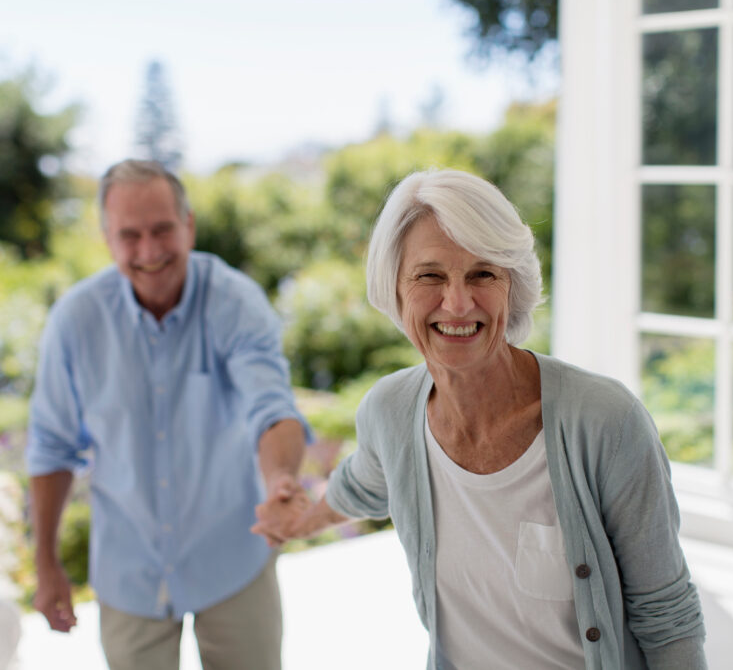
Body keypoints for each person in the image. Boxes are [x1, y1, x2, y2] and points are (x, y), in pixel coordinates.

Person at [252, 169, 707, 669]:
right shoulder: (390, 412)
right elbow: (356, 488)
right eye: (430, 275)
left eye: (482, 273)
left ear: (512, 285)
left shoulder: (606, 423)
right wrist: (297, 520)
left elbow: (667, 617)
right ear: (394, 289)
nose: (458, 302)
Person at [27, 159, 311, 670]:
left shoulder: (235, 301)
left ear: (189, 226)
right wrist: (45, 563)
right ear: (107, 238)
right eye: (129, 236)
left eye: (162, 230)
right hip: (128, 571)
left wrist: (281, 480)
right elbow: (51, 446)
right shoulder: (76, 321)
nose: (150, 251)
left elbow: (270, 408)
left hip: (232, 558)